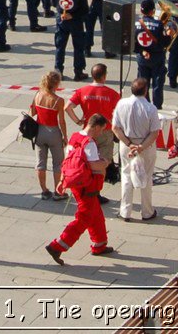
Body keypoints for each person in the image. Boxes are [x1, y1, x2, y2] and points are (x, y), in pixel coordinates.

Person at [43, 113, 115, 264]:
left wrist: (62, 180)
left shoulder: (75, 137)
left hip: (76, 183)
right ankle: (57, 246)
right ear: (95, 127)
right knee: (84, 218)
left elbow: (68, 160)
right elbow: (94, 166)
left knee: (96, 215)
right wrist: (106, 162)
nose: (101, 133)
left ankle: (99, 244)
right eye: (101, 129)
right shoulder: (89, 143)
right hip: (87, 185)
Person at [112, 77, 160, 221]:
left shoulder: (121, 104)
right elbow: (155, 132)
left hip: (126, 145)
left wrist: (128, 143)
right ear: (146, 91)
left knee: (126, 175)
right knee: (147, 176)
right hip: (145, 145)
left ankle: (125, 211)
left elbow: (115, 127)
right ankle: (147, 211)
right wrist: (141, 147)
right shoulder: (151, 108)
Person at [30, 70, 68, 201]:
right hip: (53, 132)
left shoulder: (38, 95)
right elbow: (61, 121)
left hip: (39, 131)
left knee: (40, 163)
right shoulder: (59, 100)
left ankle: (44, 191)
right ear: (56, 84)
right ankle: (58, 192)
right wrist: (65, 136)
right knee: (58, 164)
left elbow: (32, 112)